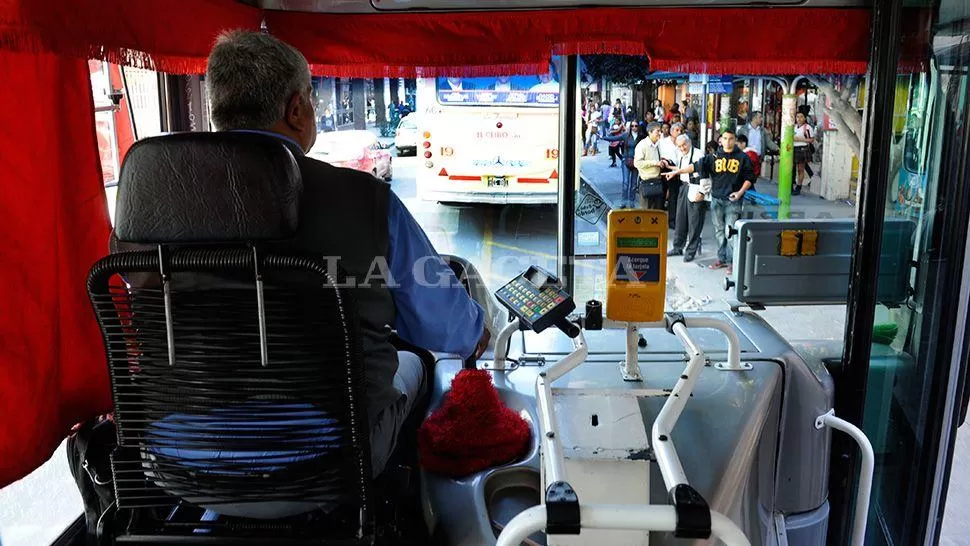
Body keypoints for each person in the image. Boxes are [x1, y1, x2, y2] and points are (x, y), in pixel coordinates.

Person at [203, 30, 490, 477]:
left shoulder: (153, 208)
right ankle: (395, 505)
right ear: (296, 109)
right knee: (418, 362)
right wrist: (477, 332)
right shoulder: (365, 201)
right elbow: (447, 327)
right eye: (313, 102)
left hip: (182, 454)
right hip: (329, 459)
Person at [664, 129, 755, 275]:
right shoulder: (713, 156)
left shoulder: (742, 157)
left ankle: (732, 262)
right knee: (719, 232)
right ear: (721, 140)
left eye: (731, 138)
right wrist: (676, 172)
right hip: (717, 199)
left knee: (730, 232)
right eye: (725, 138)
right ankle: (722, 259)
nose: (727, 141)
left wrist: (739, 193)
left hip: (733, 200)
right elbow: (695, 166)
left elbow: (749, 178)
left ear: (735, 140)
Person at [668, 134, 708, 262]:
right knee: (680, 219)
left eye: (684, 144)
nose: (682, 148)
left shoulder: (698, 154)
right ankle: (677, 247)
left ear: (689, 142)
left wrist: (702, 192)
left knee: (694, 222)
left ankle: (691, 251)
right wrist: (672, 171)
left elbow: (704, 174)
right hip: (684, 187)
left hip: (696, 187)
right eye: (679, 146)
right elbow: (682, 169)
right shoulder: (681, 154)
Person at [633, 122, 666, 210]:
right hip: (646, 183)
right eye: (657, 131)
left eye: (660, 131)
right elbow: (637, 163)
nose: (660, 133)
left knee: (658, 212)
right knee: (647, 213)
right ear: (650, 132)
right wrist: (655, 163)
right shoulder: (642, 145)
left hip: (658, 182)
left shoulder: (659, 144)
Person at [660, 122, 685, 230]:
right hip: (664, 170)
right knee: (661, 195)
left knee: (673, 197)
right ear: (671, 132)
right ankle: (659, 220)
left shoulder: (684, 143)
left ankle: (672, 220)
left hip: (677, 171)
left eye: (681, 131)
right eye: (677, 130)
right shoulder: (663, 142)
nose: (679, 132)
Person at [793, 111, 815, 195]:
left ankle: (798, 187)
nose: (799, 118)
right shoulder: (793, 127)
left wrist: (801, 140)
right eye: (797, 116)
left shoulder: (807, 127)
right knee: (791, 169)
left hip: (802, 149)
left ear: (805, 118)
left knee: (800, 169)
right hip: (793, 148)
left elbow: (811, 139)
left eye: (801, 116)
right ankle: (791, 185)